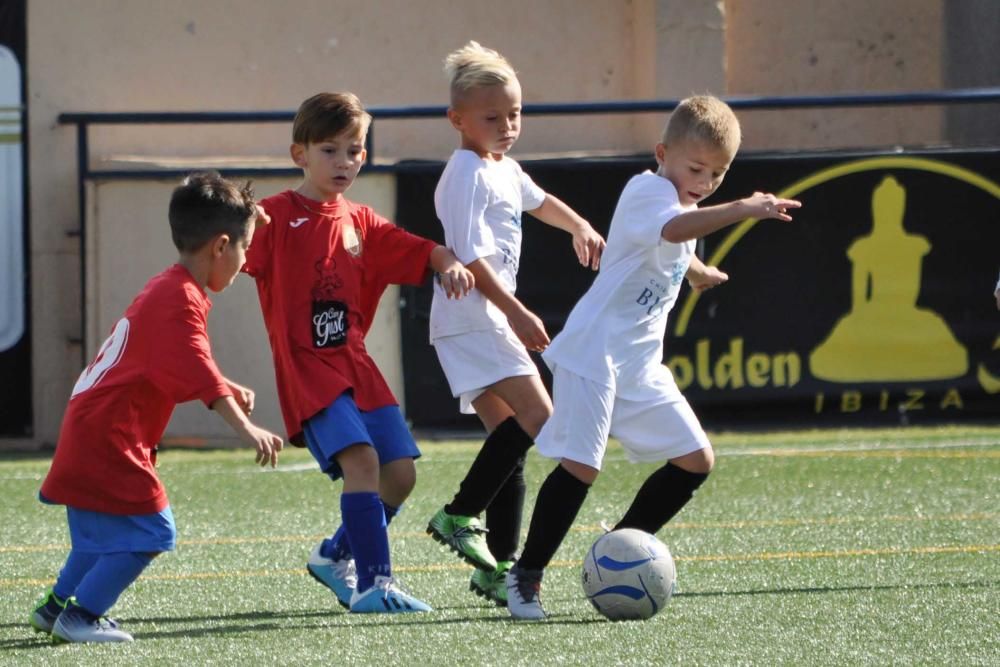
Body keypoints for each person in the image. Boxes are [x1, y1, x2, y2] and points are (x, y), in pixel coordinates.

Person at [504, 95, 802, 619]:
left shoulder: (685, 204)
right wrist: (741, 208)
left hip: (639, 366)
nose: (706, 181)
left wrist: (696, 273)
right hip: (594, 354)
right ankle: (525, 576)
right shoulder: (647, 189)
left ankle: (616, 552)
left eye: (718, 173)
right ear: (662, 152)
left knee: (695, 460)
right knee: (581, 466)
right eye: (695, 168)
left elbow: (673, 242)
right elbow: (670, 230)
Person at [243, 92, 474, 613]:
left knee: (401, 474)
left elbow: (420, 249)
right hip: (309, 371)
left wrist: (448, 263)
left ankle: (333, 556)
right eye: (329, 150)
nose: (343, 162)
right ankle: (375, 584)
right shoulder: (273, 219)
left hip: (356, 366)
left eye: (353, 151)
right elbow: (222, 253)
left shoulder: (362, 222)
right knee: (363, 462)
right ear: (298, 154)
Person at [30, 172, 284, 643]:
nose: (245, 263)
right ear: (221, 246)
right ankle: (81, 616)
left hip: (93, 427)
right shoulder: (181, 300)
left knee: (103, 532)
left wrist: (224, 381)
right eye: (244, 250)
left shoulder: (167, 286)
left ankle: (53, 608)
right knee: (152, 531)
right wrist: (247, 427)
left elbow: (168, 359)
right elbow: (197, 369)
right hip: (110, 437)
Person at [424, 41, 605, 606]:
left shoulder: (503, 168)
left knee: (512, 439)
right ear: (458, 119)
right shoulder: (464, 173)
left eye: (515, 114)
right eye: (492, 117)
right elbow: (471, 259)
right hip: (473, 317)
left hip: (479, 319)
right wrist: (518, 312)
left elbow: (540, 200)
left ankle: (498, 566)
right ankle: (458, 513)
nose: (507, 126)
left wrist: (578, 225)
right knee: (540, 414)